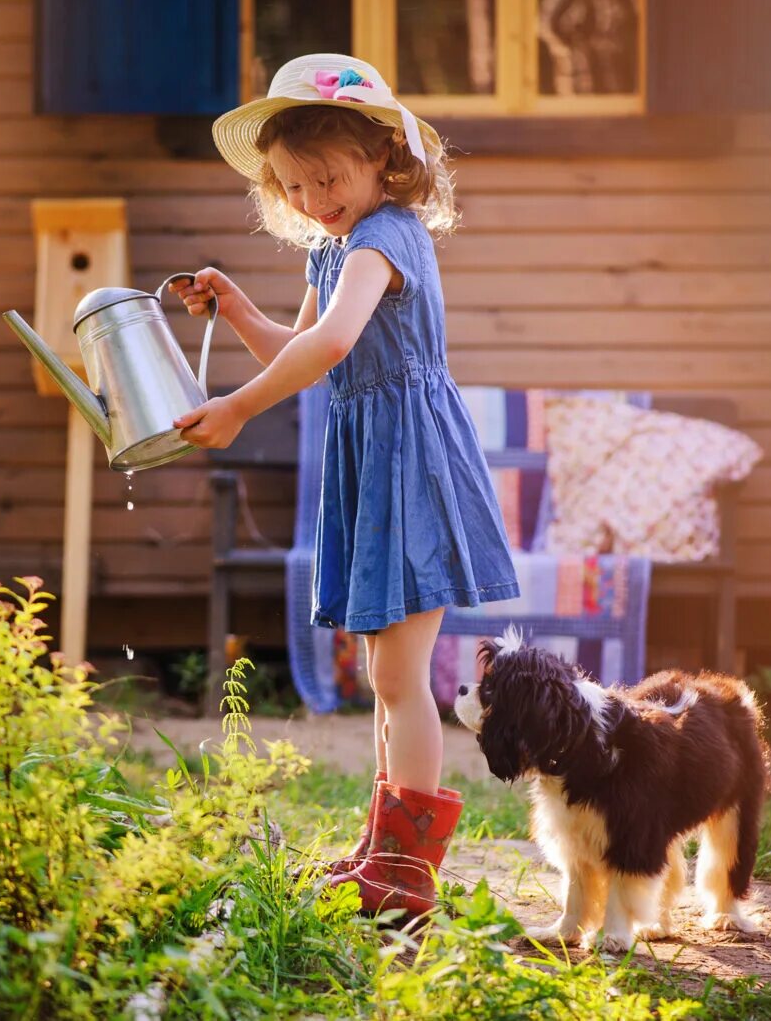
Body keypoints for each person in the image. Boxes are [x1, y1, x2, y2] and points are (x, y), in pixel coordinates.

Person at [170, 54, 521, 920]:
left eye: (328, 177)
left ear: (384, 160)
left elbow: (327, 348)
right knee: (382, 672)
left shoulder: (388, 237)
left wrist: (240, 410)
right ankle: (381, 852)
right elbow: (305, 347)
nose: (313, 198)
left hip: (413, 464)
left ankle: (407, 877)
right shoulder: (336, 251)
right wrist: (239, 307)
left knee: (402, 676)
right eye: (293, 186)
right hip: (374, 464)